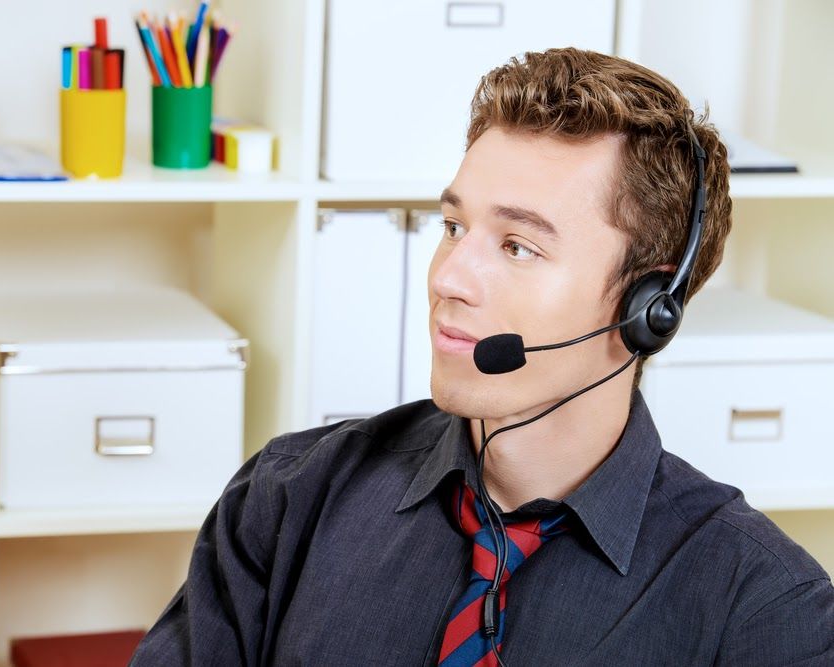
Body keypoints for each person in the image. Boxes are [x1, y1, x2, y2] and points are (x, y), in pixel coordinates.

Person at [130, 48, 834, 666]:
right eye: (453, 226)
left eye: (517, 246)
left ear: (645, 307)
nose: (445, 278)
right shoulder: (289, 497)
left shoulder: (765, 607)